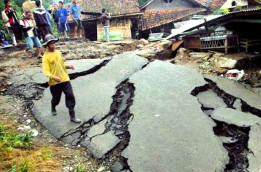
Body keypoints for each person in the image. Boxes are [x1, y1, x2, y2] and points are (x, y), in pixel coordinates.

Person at [42, 34, 81, 123]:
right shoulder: (46, 56)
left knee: (70, 95)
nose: (53, 45)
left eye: (54, 43)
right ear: (47, 45)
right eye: (51, 43)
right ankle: (53, 105)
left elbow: (62, 64)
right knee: (56, 98)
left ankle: (72, 115)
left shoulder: (58, 52)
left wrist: (69, 66)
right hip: (54, 82)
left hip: (65, 79)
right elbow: (46, 71)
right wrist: (53, 77)